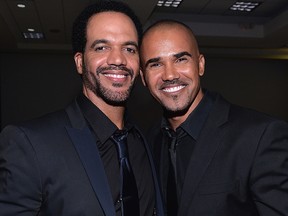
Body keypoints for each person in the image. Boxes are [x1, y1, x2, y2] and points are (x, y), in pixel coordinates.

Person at [0, 1, 164, 216]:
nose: (118, 59)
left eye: (129, 48)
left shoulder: (145, 141)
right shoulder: (30, 144)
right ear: (80, 62)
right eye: (102, 47)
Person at [140, 19, 288, 216]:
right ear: (143, 78)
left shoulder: (261, 136)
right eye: (156, 64)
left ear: (200, 65)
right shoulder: (149, 141)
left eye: (181, 59)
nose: (169, 74)